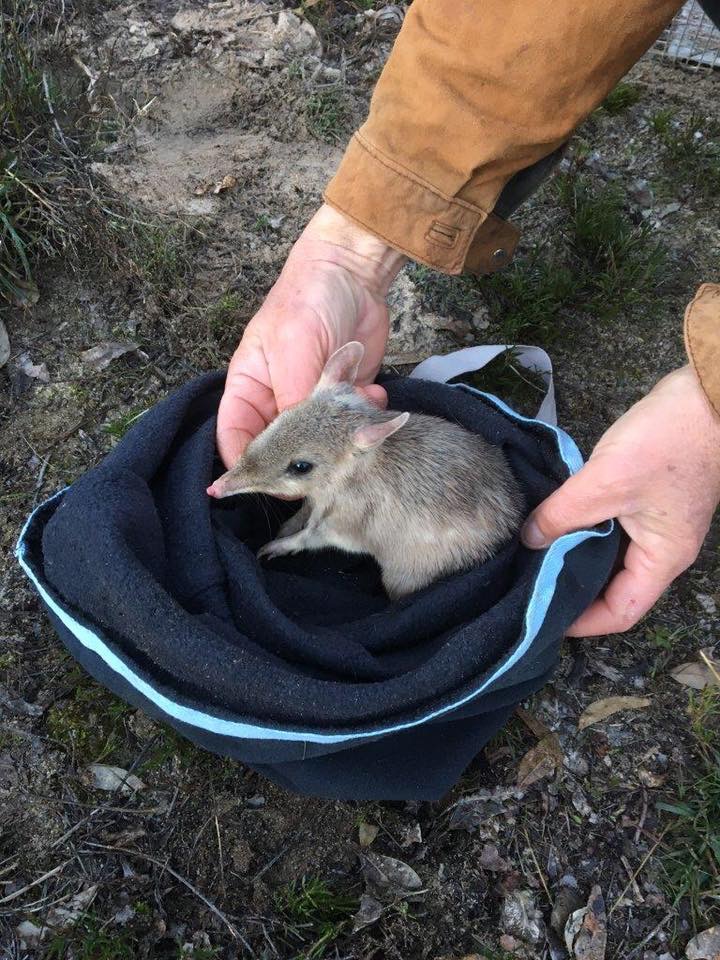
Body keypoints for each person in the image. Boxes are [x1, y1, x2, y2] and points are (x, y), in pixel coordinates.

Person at [215, 0, 720, 637]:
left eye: (303, 466)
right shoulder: (347, 438)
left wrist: (711, 412)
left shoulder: (364, 467)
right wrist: (348, 253)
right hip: (441, 491)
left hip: (438, 536)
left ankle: (409, 624)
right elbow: (532, 23)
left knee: (396, 576)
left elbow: (344, 526)